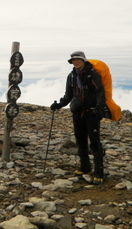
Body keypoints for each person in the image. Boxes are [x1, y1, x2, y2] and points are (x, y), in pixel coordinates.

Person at [51, 51, 106, 185]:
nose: (76, 62)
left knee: (94, 142)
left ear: (83, 61)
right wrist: (59, 105)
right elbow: (69, 94)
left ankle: (98, 172)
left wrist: (100, 107)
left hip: (91, 113)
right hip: (77, 113)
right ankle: (85, 167)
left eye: (78, 60)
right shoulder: (71, 76)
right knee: (80, 140)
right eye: (73, 60)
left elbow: (100, 92)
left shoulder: (92, 75)